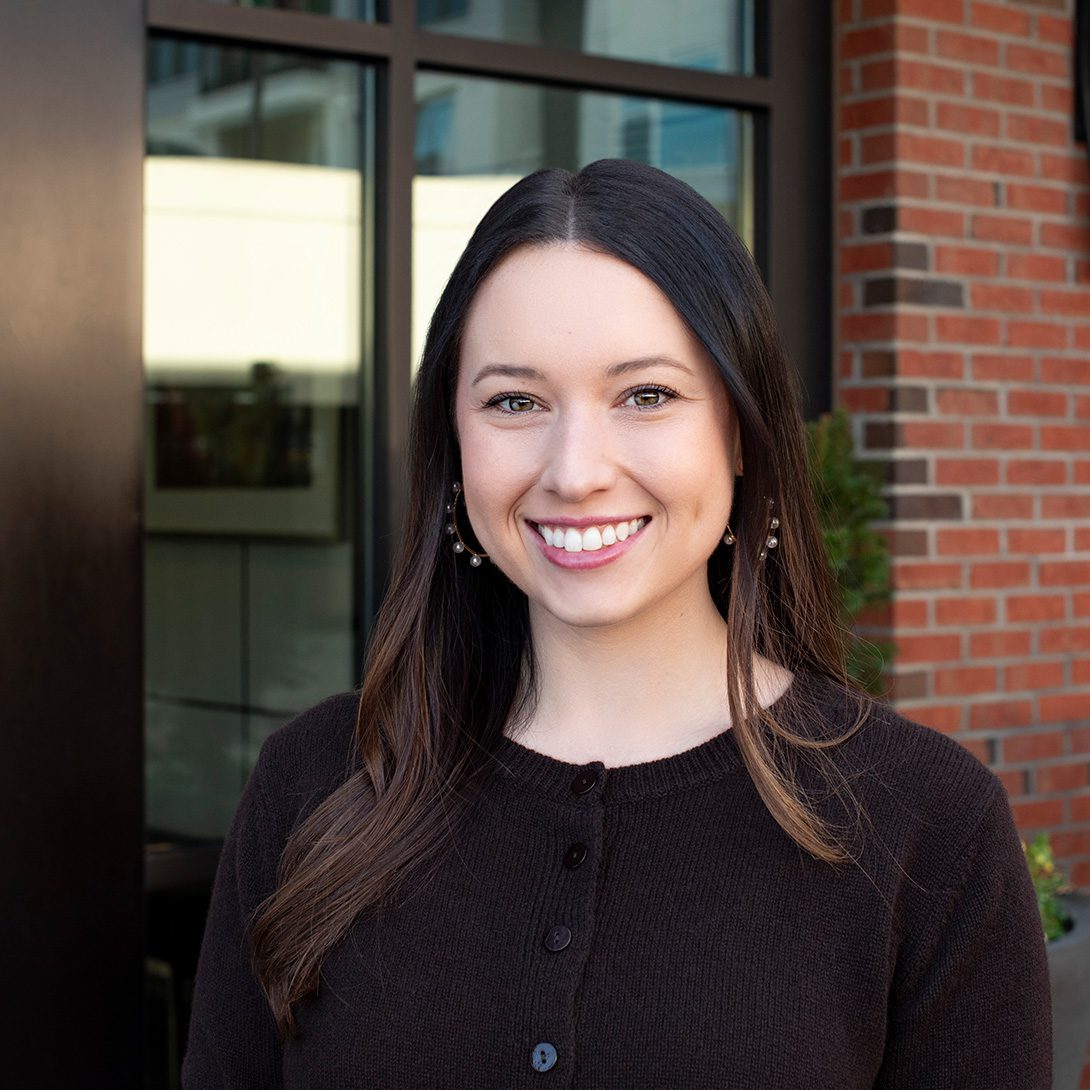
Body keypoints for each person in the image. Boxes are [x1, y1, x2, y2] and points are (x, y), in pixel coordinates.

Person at [181, 159, 1052, 1088]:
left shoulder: (929, 827)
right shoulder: (316, 785)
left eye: (646, 395)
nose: (575, 470)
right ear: (453, 443)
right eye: (515, 401)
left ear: (744, 434)